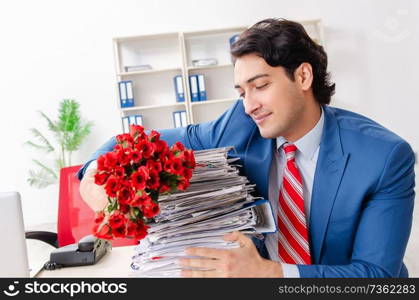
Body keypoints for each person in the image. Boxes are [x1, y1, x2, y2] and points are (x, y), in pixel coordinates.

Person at [78, 18, 415, 278]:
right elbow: (132, 143)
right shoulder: (239, 126)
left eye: (261, 86)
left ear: (303, 77)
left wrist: (271, 274)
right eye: (242, 92)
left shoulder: (383, 158)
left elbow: (376, 277)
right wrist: (95, 174)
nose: (250, 105)